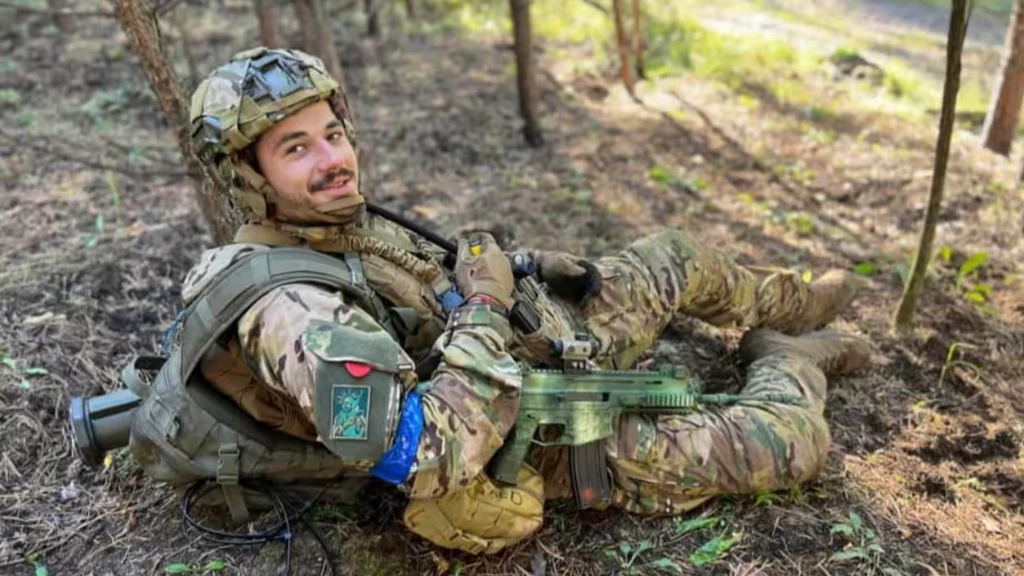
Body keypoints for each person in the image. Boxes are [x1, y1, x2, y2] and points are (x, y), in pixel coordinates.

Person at [181, 46, 870, 554]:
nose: (333, 160)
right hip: (522, 430)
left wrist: (525, 267)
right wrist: (486, 305)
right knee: (786, 443)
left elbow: (417, 280)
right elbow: (424, 455)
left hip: (519, 343)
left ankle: (791, 305)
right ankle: (787, 358)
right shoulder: (292, 312)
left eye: (333, 135)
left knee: (675, 255)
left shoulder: (327, 220)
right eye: (296, 148)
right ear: (248, 176)